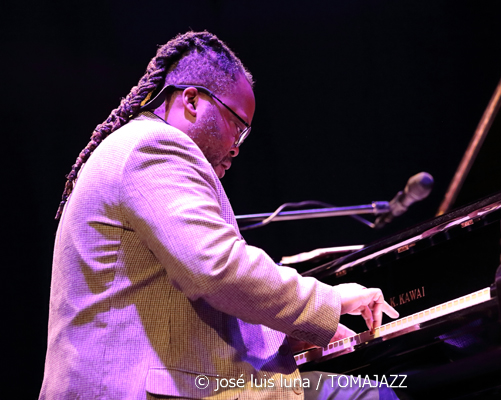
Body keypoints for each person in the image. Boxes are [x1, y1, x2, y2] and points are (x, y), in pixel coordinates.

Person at [40, 31, 399, 400]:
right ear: (192, 100)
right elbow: (218, 268)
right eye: (237, 127)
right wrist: (329, 301)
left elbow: (185, 301)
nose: (237, 147)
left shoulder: (131, 147)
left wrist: (283, 335)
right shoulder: (154, 146)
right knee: (370, 396)